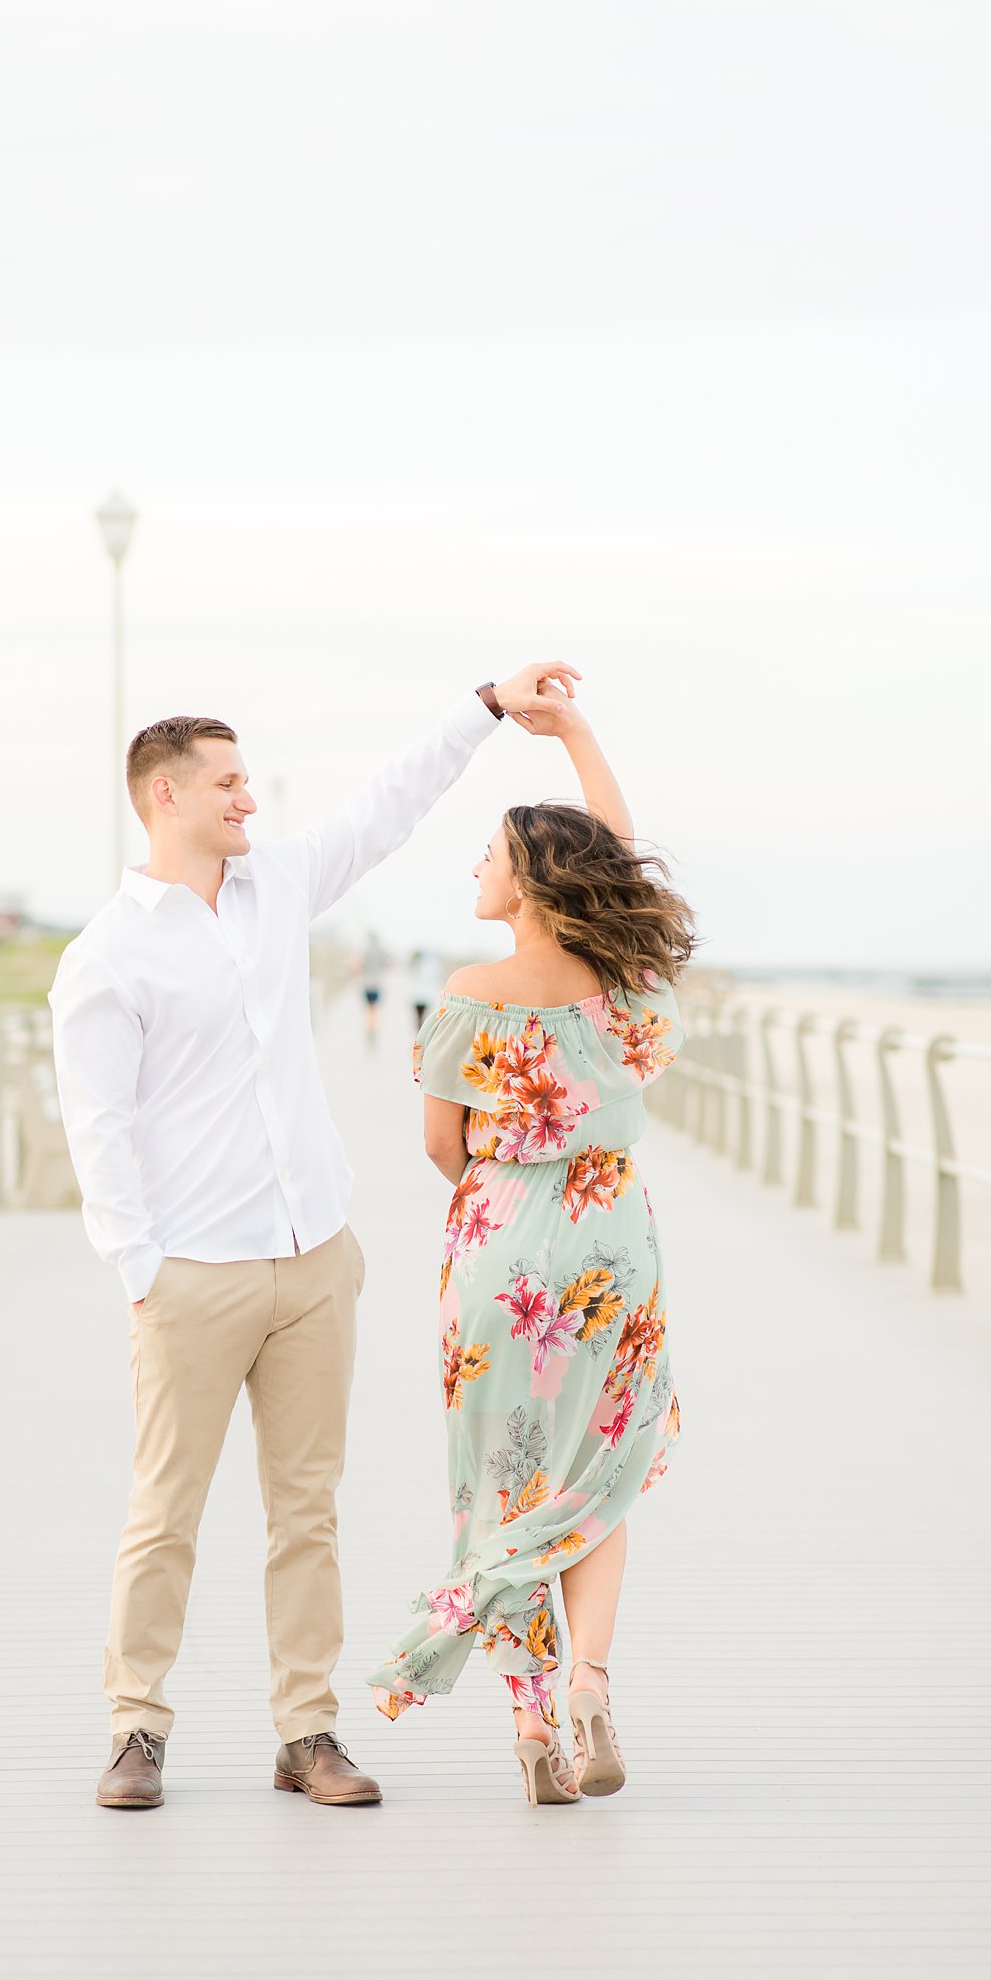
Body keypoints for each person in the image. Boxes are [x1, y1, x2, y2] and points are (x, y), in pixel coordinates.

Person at [48, 663, 581, 1812]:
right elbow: (95, 1128)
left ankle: (307, 1733)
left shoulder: (277, 887)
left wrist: (484, 704)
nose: (249, 800)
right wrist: (139, 1268)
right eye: (227, 784)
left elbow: (387, 806)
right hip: (189, 1270)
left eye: (248, 780)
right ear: (163, 798)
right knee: (164, 1512)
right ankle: (136, 1727)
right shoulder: (106, 954)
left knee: (307, 1511)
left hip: (311, 1259)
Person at [366, 689, 696, 1806]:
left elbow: (438, 1146)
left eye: (489, 857)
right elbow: (626, 870)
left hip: (502, 1246)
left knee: (504, 1487)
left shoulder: (468, 996)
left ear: (529, 883)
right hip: (611, 1236)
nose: (473, 870)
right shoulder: (628, 986)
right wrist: (579, 742)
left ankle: (531, 1731)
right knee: (595, 1483)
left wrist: (505, 1206)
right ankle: (592, 1686)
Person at [358, 933, 391, 1044]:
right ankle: (374, 1029)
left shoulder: (365, 952)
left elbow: (360, 965)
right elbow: (387, 964)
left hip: (367, 984)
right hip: (377, 984)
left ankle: (369, 1028)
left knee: (368, 1009)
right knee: (375, 1009)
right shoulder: (381, 952)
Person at [407, 945, 442, 1033]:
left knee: (419, 1016)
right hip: (425, 996)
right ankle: (421, 1033)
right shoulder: (429, 968)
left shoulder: (415, 966)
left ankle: (418, 1034)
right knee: (424, 1017)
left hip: (417, 997)